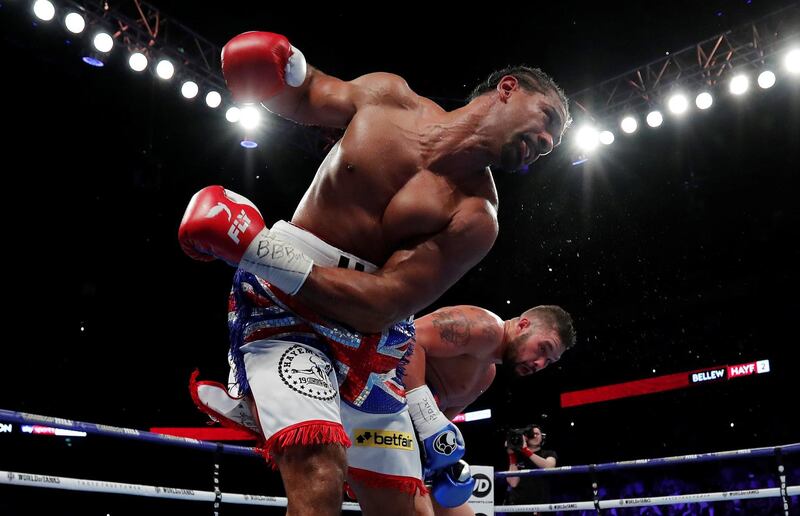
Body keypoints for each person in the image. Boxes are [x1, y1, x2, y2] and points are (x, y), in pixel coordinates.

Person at [179, 30, 571, 516]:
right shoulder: (390, 98)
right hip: (287, 313)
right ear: (508, 89)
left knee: (408, 510)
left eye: (555, 142)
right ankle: (270, 402)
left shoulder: (477, 217)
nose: (549, 142)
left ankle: (262, 405)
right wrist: (277, 72)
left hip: (374, 343)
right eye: (547, 119)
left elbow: (387, 301)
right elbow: (308, 93)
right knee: (320, 469)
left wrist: (257, 250)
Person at [401, 304, 575, 516]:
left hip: (403, 441)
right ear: (523, 325)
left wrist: (435, 461)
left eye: (549, 361)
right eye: (542, 348)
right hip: (374, 405)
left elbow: (434, 428)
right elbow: (407, 338)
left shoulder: (486, 376)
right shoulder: (484, 327)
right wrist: (423, 412)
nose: (540, 363)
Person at [504, 424, 557, 515]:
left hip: (541, 506)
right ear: (525, 437)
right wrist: (511, 455)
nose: (535, 436)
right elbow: (513, 483)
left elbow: (549, 467)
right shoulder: (517, 456)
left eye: (537, 434)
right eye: (532, 434)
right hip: (519, 507)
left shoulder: (548, 453)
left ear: (542, 436)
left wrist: (526, 451)